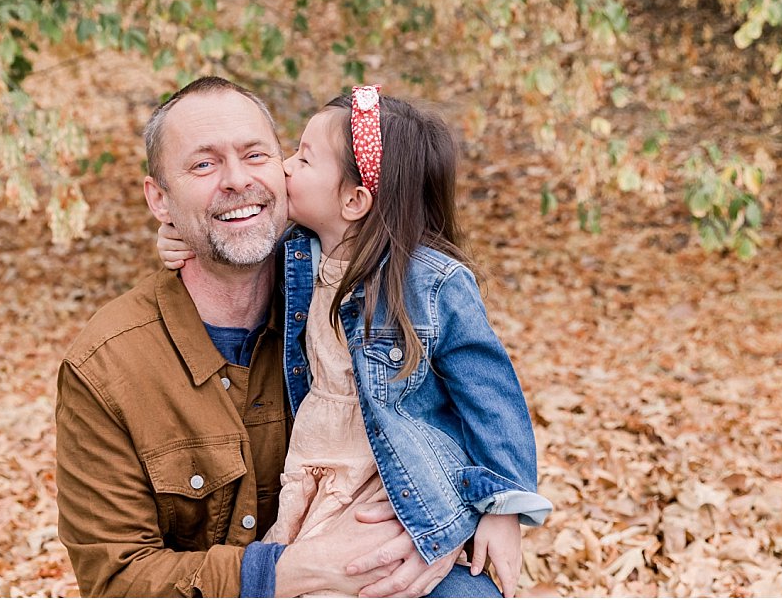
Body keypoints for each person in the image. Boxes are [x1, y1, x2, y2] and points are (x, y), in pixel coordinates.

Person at [55, 77, 459, 597]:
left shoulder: (361, 301)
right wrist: (284, 571)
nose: (236, 180)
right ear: (159, 200)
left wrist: (458, 524)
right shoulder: (107, 368)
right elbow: (117, 580)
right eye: (203, 164)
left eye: (256, 155)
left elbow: (463, 409)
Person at [158, 86, 552, 597]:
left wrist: (504, 507)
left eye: (303, 158)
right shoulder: (297, 255)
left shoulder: (429, 283)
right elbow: (231, 238)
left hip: (399, 480)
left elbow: (491, 395)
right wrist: (177, 234)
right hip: (318, 470)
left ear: (353, 199)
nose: (281, 167)